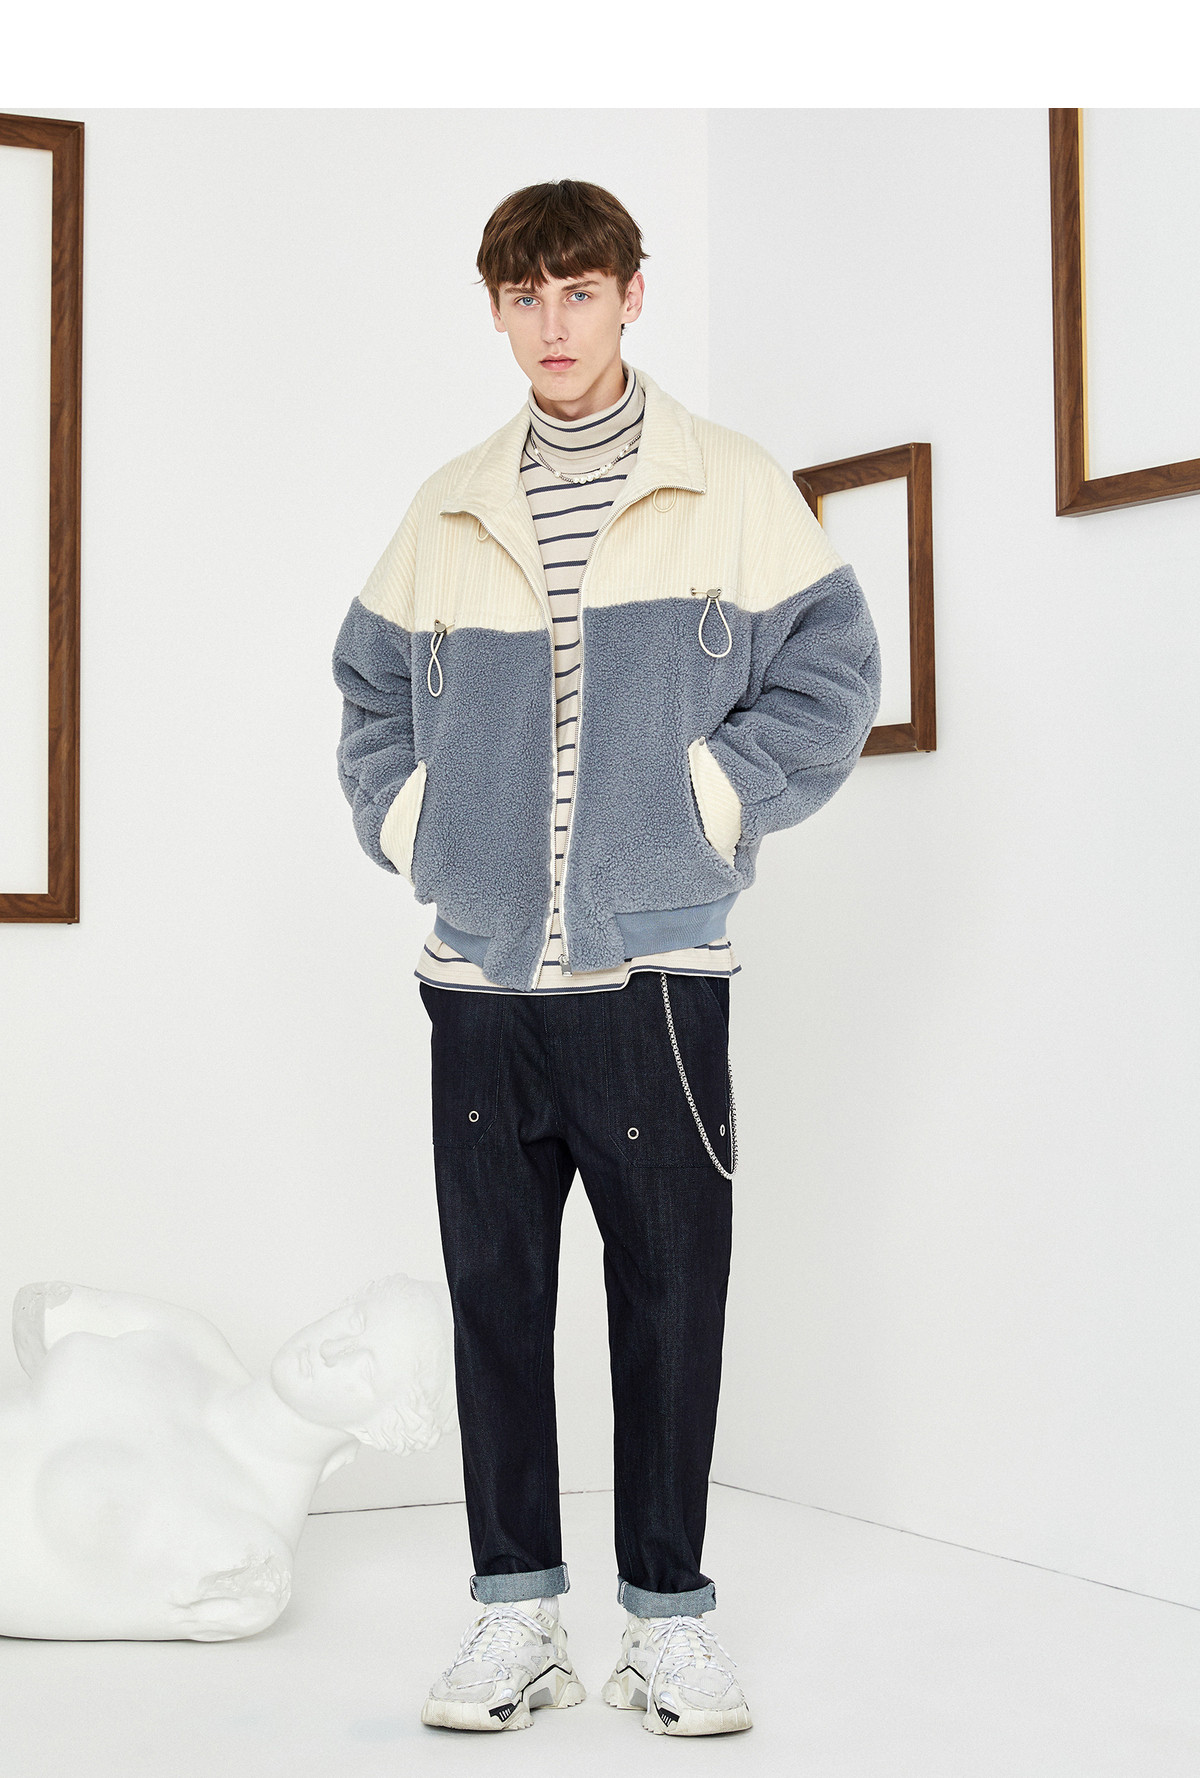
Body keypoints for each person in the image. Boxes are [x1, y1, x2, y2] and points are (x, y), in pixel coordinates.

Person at [332, 178, 882, 1735]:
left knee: (670, 1303)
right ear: (498, 310)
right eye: (526, 296)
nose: (553, 323)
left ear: (633, 294)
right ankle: (516, 1616)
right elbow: (367, 695)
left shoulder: (732, 486)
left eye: (579, 290)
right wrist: (417, 821)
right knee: (495, 1305)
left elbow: (836, 671)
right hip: (482, 985)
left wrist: (716, 799)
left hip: (656, 979)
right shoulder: (447, 505)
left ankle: (667, 1623)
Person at [0, 1275, 453, 1641]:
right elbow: (37, 1312)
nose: (332, 1349)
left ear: (385, 1428)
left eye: (366, 1367)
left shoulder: (248, 1563)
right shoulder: (188, 1339)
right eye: (356, 1320)